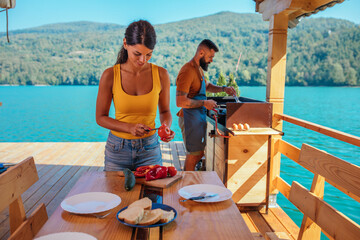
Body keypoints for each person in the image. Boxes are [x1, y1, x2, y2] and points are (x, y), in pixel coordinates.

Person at [96, 20, 174, 171]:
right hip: (117, 150)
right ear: (125, 43)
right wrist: (128, 127)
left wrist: (166, 126)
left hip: (150, 149)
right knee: (115, 194)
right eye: (137, 54)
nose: (142, 60)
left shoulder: (161, 74)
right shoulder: (110, 75)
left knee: (152, 195)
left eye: (148, 55)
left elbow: (165, 111)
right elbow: (100, 117)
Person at [176, 39, 237, 171]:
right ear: (201, 53)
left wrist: (223, 89)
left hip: (197, 118)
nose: (211, 60)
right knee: (193, 156)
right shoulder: (187, 70)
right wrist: (204, 103)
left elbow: (207, 86)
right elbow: (180, 101)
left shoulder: (198, 69)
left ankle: (190, 182)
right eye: (210, 57)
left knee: (198, 154)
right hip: (189, 118)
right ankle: (188, 185)